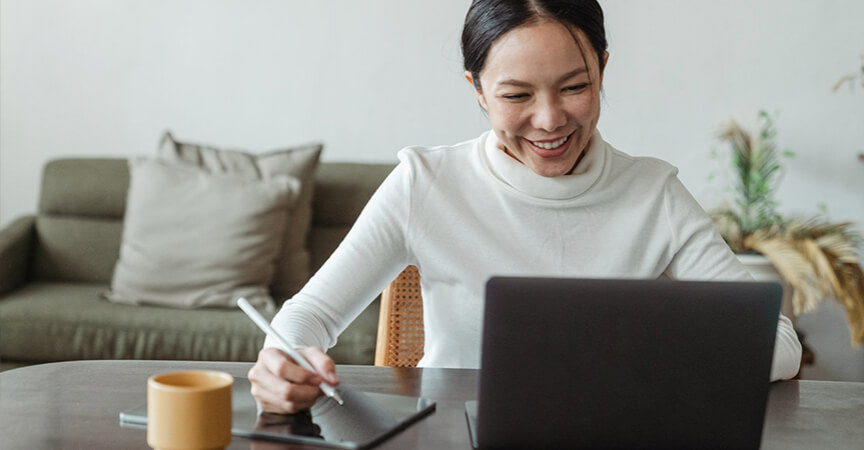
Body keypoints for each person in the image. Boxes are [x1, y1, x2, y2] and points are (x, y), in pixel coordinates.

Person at [248, 0, 802, 413]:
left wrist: (653, 356)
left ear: (603, 70)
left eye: (575, 87)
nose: (550, 120)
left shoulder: (654, 194)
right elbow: (309, 315)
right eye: (516, 96)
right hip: (449, 434)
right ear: (479, 90)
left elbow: (778, 344)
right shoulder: (425, 183)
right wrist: (285, 362)